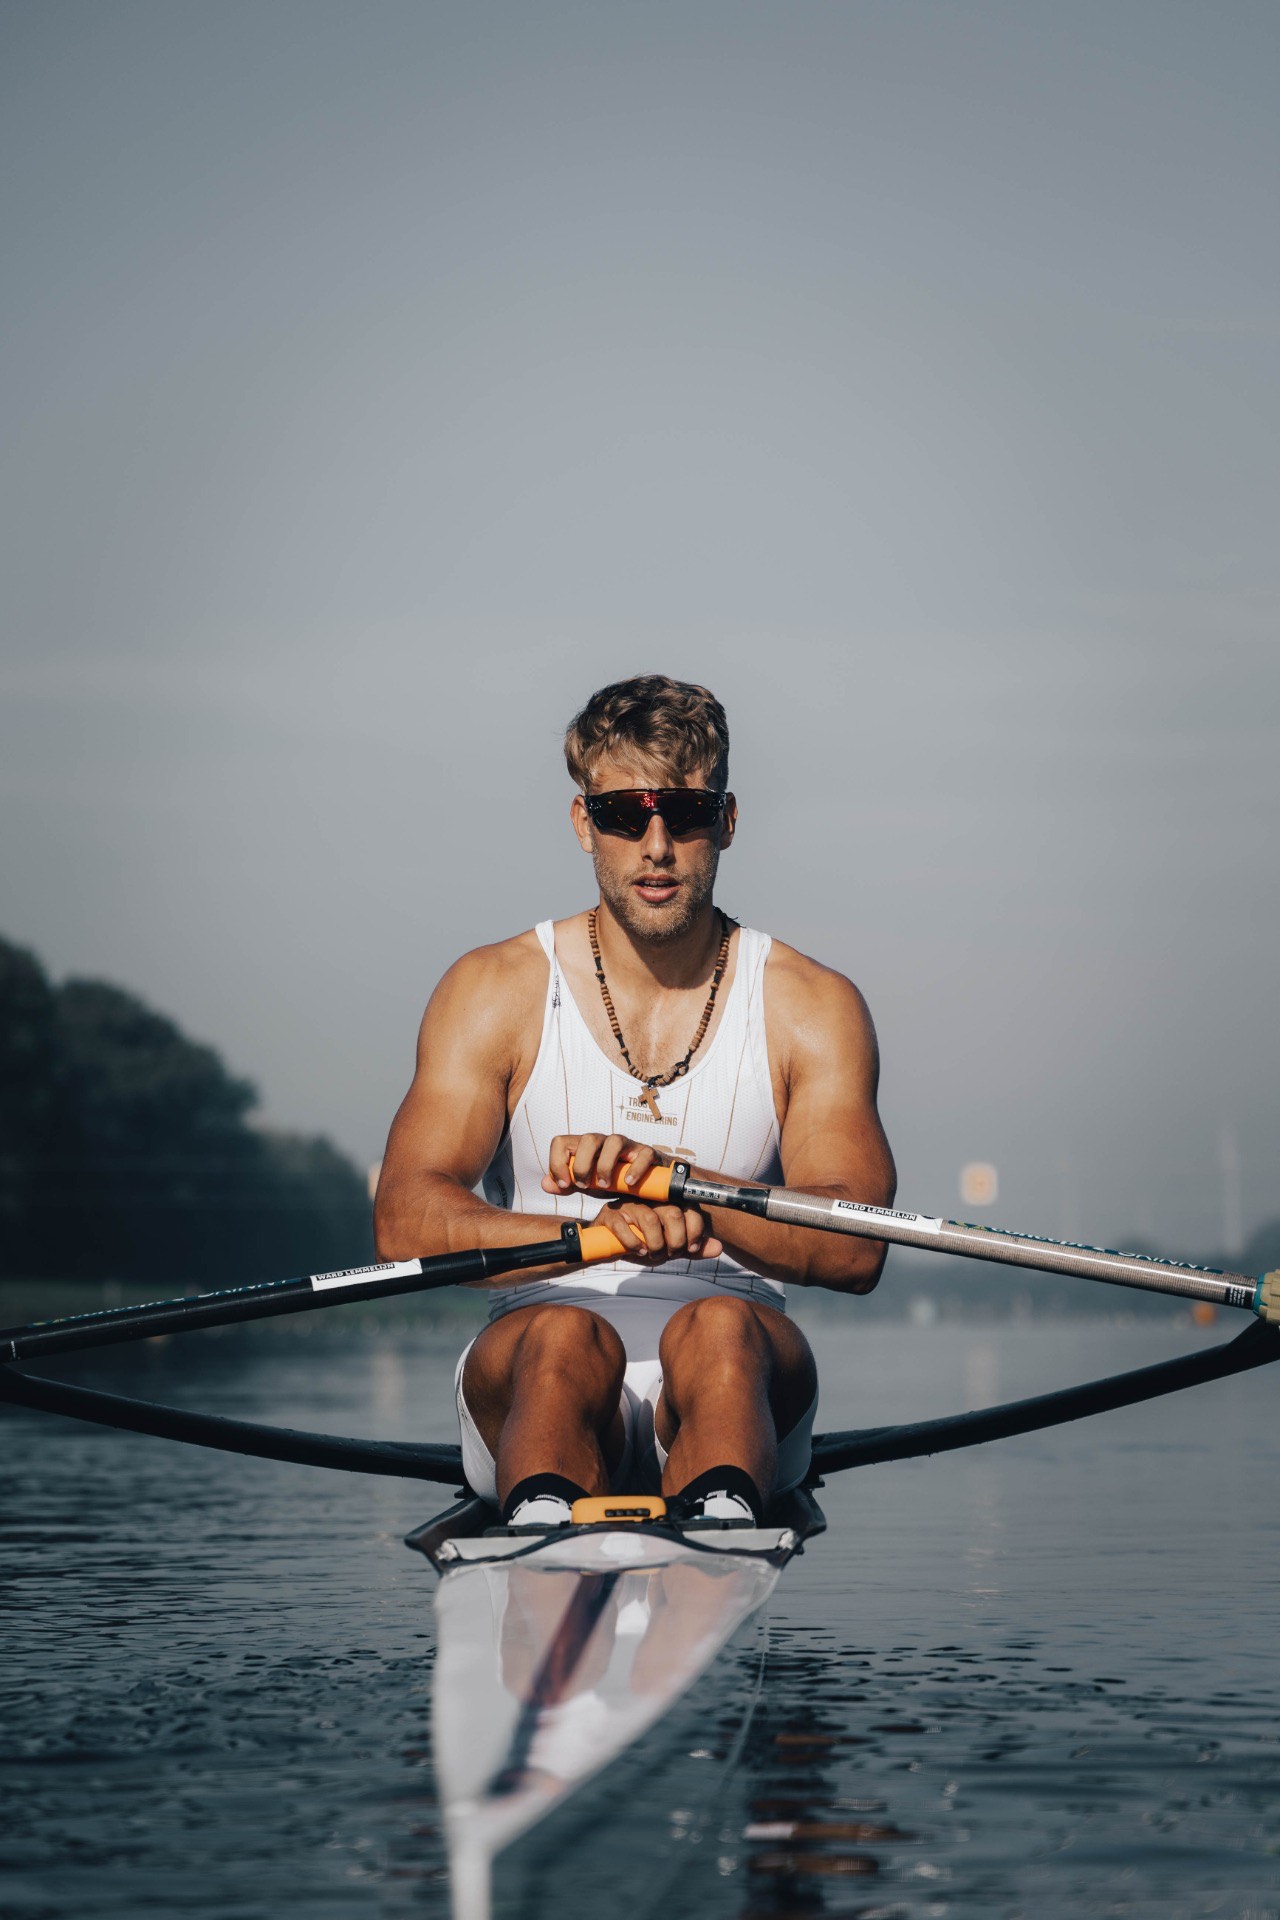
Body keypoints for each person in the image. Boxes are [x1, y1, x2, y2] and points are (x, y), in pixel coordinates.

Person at [374, 675, 895, 1528]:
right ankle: (549, 1529)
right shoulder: (491, 989)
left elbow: (856, 1248)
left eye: (685, 815)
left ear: (725, 821)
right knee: (562, 1340)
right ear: (586, 823)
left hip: (739, 1381)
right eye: (625, 814)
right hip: (537, 1366)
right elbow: (405, 1217)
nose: (657, 845)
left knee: (720, 1325)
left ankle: (714, 1523)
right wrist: (598, 1238)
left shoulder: (812, 1004)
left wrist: (686, 1192)